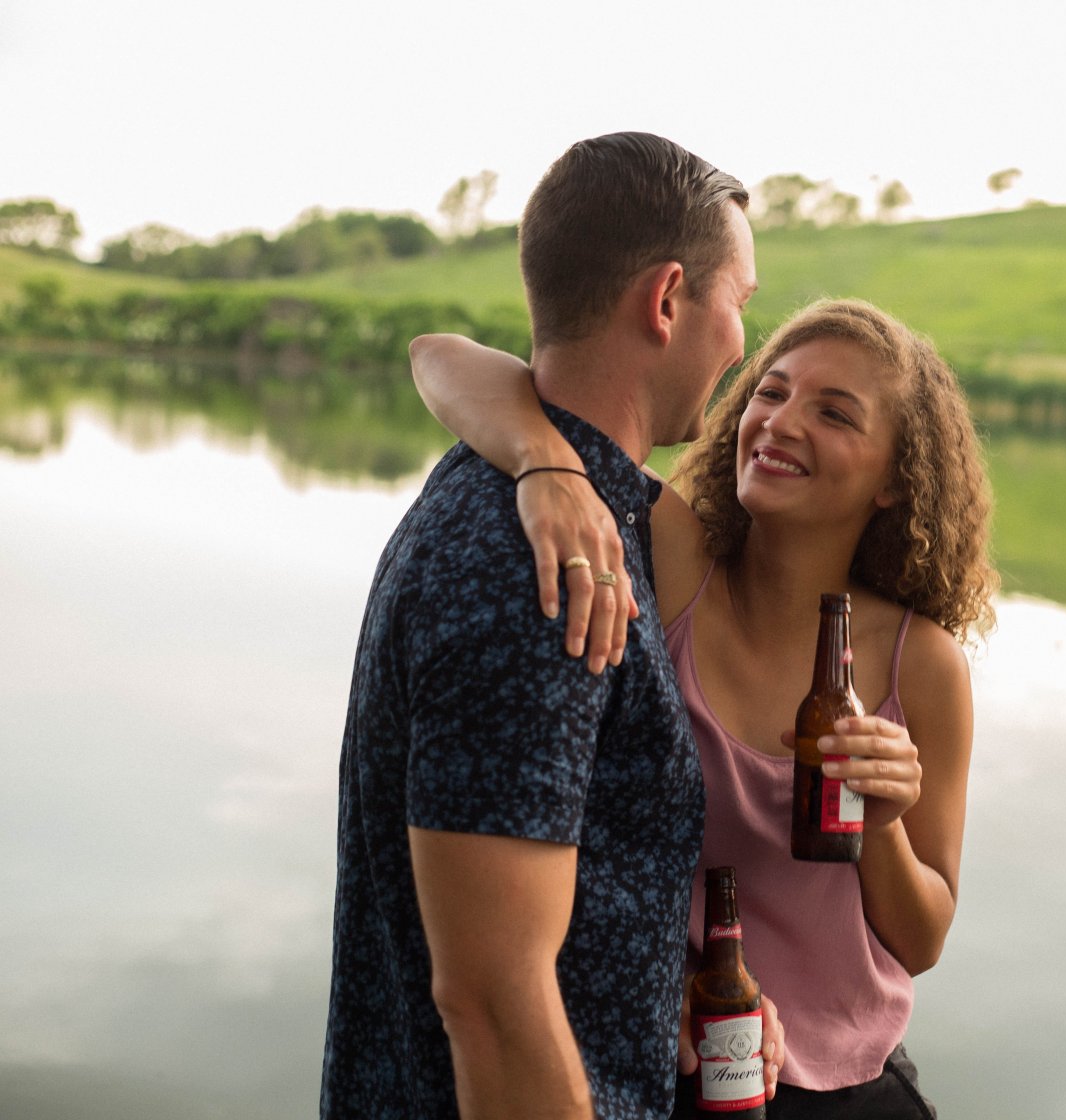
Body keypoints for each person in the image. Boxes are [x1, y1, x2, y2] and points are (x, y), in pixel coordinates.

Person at [410, 297, 998, 1118]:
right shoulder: (677, 562)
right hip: (678, 1071)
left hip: (847, 1091)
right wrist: (545, 464)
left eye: (833, 412)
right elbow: (439, 357)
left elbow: (922, 940)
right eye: (771, 391)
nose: (781, 423)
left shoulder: (922, 663)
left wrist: (883, 820)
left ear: (899, 478)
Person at [321, 131, 777, 1120]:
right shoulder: (542, 574)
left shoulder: (563, 505)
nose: (744, 341)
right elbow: (491, 999)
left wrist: (661, 997)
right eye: (740, 302)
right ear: (666, 301)